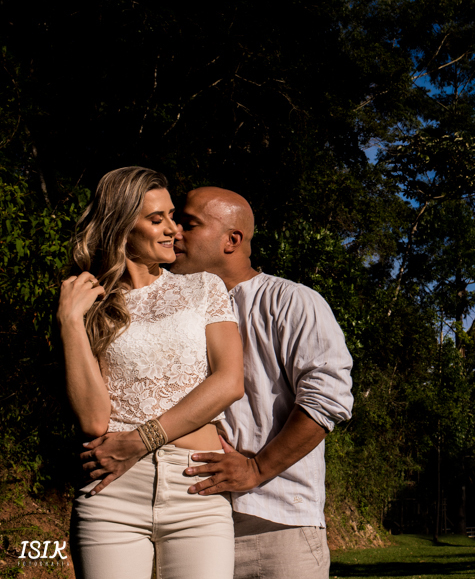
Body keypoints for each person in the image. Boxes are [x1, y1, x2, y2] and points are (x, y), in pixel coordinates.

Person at [84, 185, 354, 579]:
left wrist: (257, 469)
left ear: (232, 240)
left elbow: (327, 400)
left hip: (274, 523)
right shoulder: (164, 304)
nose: (175, 232)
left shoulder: (291, 301)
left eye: (188, 224)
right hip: (191, 512)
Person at [62, 167, 245, 579]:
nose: (173, 230)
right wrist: (71, 322)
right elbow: (93, 419)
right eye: (156, 219)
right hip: (112, 492)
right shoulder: (91, 302)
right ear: (122, 228)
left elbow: (230, 381)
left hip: (194, 485)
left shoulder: (203, 287)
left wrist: (141, 440)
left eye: (172, 216)